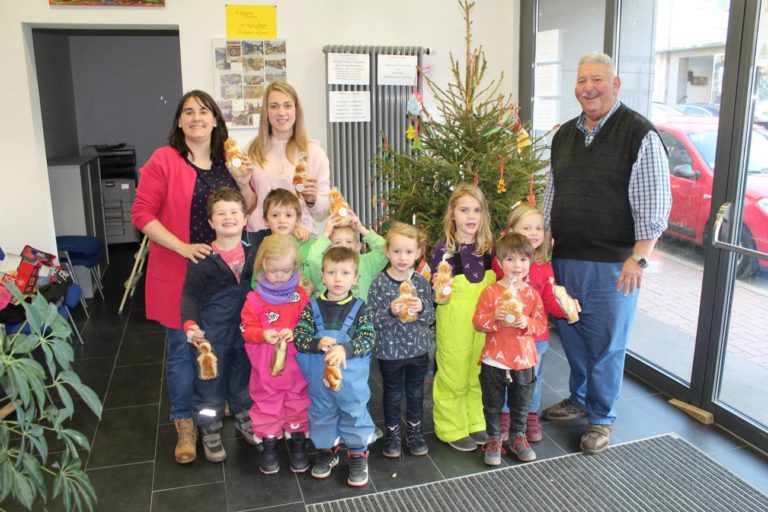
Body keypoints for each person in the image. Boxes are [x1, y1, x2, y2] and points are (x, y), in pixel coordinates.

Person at [540, 52, 671, 454]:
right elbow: (551, 195)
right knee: (575, 339)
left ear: (616, 84)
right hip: (566, 258)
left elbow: (654, 205)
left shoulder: (639, 134)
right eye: (581, 80)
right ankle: (579, 399)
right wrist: (544, 251)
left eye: (597, 79)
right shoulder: (564, 135)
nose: (588, 87)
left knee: (607, 344)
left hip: (615, 264)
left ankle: (601, 418)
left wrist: (640, 258)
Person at [132, 90, 256, 464]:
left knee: (228, 345)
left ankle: (221, 410)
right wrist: (183, 247)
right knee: (183, 351)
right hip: (179, 269)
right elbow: (141, 214)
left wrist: (246, 182)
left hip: (226, 275)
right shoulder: (164, 160)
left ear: (216, 119)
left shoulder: (227, 160)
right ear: (180, 122)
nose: (196, 117)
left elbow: (245, 210)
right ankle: (184, 423)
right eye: (188, 112)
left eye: (204, 111)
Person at [181, 187, 257, 463]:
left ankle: (243, 416)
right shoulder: (203, 258)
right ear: (211, 222)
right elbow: (189, 295)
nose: (228, 217)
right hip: (211, 333)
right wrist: (190, 323)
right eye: (221, 213)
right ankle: (210, 428)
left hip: (246, 331)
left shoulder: (254, 248)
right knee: (209, 381)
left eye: (234, 211)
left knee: (242, 374)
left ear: (245, 218)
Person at [294, 247, 376, 487]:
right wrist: (315, 342)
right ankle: (327, 449)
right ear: (322, 274)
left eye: (345, 272)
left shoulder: (361, 309)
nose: (338, 278)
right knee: (321, 412)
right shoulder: (312, 308)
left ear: (356, 277)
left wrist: (345, 349)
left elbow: (368, 339)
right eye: (331, 272)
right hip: (319, 381)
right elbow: (299, 336)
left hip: (352, 382)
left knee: (353, 411)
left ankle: (358, 452)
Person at [504, 203, 580, 443]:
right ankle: (505, 417)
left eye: (539, 227)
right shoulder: (502, 262)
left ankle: (530, 417)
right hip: (508, 337)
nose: (535, 232)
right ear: (511, 231)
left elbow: (549, 298)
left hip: (536, 339)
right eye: (527, 227)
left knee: (532, 381)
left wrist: (567, 308)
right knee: (507, 378)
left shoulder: (543, 266)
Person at [429, 183, 496, 452]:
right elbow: (436, 294)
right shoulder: (444, 251)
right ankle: (450, 425)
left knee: (477, 370)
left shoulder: (488, 248)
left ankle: (474, 419)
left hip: (483, 321)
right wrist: (439, 288)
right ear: (452, 214)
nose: (471, 216)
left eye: (476, 210)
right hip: (454, 322)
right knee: (453, 372)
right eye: (464, 209)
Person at [473, 233, 547, 465]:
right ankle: (494, 438)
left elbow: (541, 324)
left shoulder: (531, 295)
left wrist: (527, 323)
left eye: (523, 260)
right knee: (492, 402)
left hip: (524, 359)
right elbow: (478, 322)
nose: (517, 265)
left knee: (521, 402)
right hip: (494, 359)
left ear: (530, 263)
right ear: (500, 262)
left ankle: (518, 436)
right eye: (511, 260)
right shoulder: (491, 292)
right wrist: (494, 317)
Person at [240, 234, 311, 474]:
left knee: (298, 398)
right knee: (267, 401)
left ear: (295, 268)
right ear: (262, 267)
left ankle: (297, 437)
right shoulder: (254, 299)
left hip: (297, 365)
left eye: (285, 270)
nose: (279, 276)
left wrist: (295, 331)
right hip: (266, 369)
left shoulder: (300, 296)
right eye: (273, 271)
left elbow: (310, 324)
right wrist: (262, 334)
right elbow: (246, 330)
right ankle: (269, 440)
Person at [367, 222, 435, 458]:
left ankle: (415, 432)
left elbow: (430, 317)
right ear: (387, 251)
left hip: (417, 351)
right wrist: (390, 311)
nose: (402, 257)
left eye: (408, 252)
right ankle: (393, 433)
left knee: (416, 392)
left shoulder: (421, 282)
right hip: (390, 352)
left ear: (417, 253)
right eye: (396, 251)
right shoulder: (379, 283)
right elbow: (372, 319)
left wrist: (422, 306)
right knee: (393, 392)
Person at [246, 82, 330, 236]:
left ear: (296, 110)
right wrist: (241, 182)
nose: (281, 112)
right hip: (260, 240)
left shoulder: (314, 153)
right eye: (274, 106)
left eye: (287, 105)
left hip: (300, 240)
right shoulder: (251, 151)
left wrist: (312, 199)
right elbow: (244, 204)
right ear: (266, 112)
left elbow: (323, 208)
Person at [306, 208, 388, 301]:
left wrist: (361, 229)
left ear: (358, 246)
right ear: (328, 248)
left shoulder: (366, 263)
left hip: (358, 315)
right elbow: (312, 258)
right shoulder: (325, 264)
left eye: (349, 241)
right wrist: (326, 233)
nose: (343, 246)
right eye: (337, 242)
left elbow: (385, 249)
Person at [255, 188, 316, 293]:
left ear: (297, 219)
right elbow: (256, 280)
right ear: (265, 220)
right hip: (275, 304)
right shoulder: (265, 245)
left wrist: (313, 287)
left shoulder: (307, 242)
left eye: (288, 215)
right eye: (275, 215)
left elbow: (320, 274)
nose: (282, 220)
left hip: (305, 304)